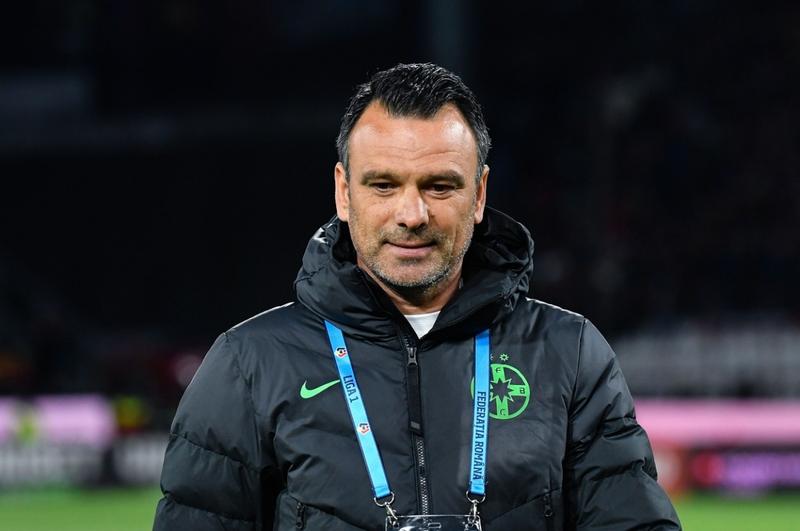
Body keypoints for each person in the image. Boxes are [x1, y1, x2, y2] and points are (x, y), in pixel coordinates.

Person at [153, 63, 681, 530]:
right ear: (344, 192)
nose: (412, 215)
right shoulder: (249, 364)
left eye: (439, 186)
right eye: (383, 185)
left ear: (479, 194)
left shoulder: (568, 353)